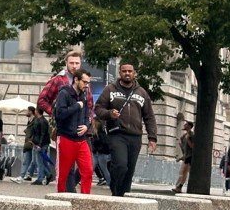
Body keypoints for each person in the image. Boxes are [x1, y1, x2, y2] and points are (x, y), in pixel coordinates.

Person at [95, 60, 157, 197]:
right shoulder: (110, 89)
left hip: (135, 136)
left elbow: (149, 117)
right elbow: (98, 109)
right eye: (124, 71)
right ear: (120, 73)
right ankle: (116, 193)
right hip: (117, 134)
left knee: (129, 170)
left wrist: (152, 137)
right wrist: (109, 114)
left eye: (130, 71)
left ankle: (125, 196)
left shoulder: (142, 92)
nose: (127, 73)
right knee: (121, 165)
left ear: (134, 73)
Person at [37, 48, 93, 190]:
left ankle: (74, 190)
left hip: (82, 130)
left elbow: (90, 106)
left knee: (87, 166)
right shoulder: (58, 80)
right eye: (71, 63)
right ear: (66, 63)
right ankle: (69, 192)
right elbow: (42, 100)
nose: (74, 66)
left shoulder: (85, 81)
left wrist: (88, 124)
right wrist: (55, 113)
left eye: (77, 63)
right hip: (64, 129)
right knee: (66, 168)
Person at [54, 69, 94, 194]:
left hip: (81, 139)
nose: (86, 85)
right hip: (66, 137)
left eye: (88, 82)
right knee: (63, 173)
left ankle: (85, 199)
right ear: (76, 79)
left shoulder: (84, 95)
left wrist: (87, 126)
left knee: (88, 170)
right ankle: (60, 197)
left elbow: (88, 114)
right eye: (84, 82)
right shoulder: (64, 93)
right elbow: (60, 114)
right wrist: (76, 106)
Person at [11, 106, 36, 183]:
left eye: (27, 111)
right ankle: (28, 175)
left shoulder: (35, 121)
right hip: (29, 143)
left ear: (31, 111)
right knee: (31, 161)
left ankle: (22, 176)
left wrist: (31, 140)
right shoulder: (30, 121)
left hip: (31, 143)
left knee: (30, 161)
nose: (26, 112)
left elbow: (35, 131)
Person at [30, 107, 52, 186]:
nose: (34, 111)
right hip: (37, 143)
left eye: (35, 110)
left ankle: (40, 178)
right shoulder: (38, 120)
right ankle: (48, 175)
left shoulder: (43, 121)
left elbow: (43, 134)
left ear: (37, 111)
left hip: (41, 144)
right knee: (40, 162)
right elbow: (35, 132)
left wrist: (39, 144)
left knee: (39, 162)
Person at [172, 120, 194, 194]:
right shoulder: (184, 135)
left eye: (186, 124)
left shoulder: (191, 134)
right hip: (186, 156)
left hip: (190, 156)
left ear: (189, 126)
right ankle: (179, 187)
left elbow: (192, 146)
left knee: (184, 172)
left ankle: (179, 187)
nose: (184, 125)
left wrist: (187, 140)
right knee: (183, 172)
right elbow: (184, 148)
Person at [92, 118, 111, 187]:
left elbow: (104, 143)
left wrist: (97, 148)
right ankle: (109, 183)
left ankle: (110, 183)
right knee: (93, 167)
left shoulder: (100, 134)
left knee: (104, 169)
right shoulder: (99, 133)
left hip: (101, 153)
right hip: (98, 153)